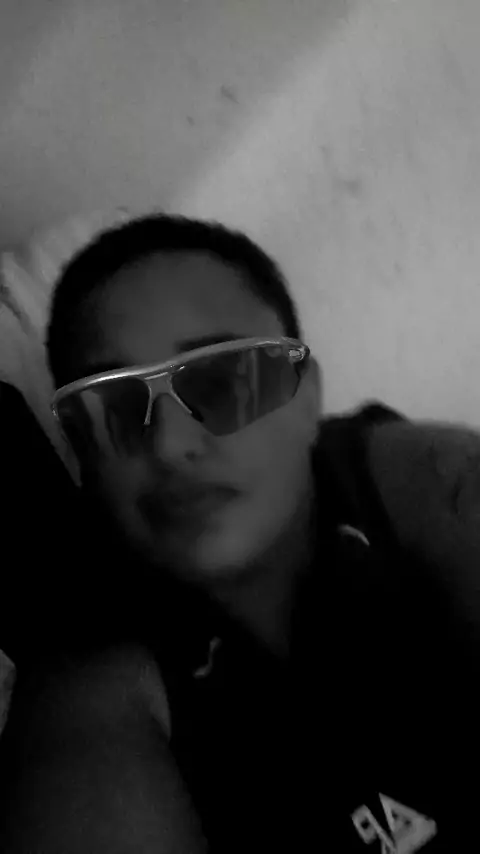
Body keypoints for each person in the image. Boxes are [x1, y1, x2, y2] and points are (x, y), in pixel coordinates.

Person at [1, 213, 480, 853]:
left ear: (307, 397)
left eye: (224, 381)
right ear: (83, 455)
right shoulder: (93, 686)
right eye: (112, 408)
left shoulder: (412, 485)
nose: (169, 445)